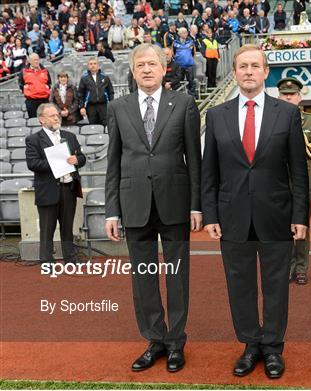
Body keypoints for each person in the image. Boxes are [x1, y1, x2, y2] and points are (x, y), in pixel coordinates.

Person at [201, 45, 309, 379]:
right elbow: (210, 172)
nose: (249, 71)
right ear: (234, 73)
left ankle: (273, 347)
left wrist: (300, 217)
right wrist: (211, 216)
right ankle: (250, 345)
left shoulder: (287, 114)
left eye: (255, 66)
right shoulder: (217, 115)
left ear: (265, 72)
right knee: (240, 286)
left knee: (276, 285)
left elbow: (299, 173)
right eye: (242, 66)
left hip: (277, 215)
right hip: (232, 217)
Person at [105, 43, 202, 373]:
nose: (146, 69)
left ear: (164, 69)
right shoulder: (118, 107)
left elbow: (195, 160)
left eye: (152, 64)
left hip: (174, 201)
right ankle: (154, 339)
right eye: (140, 65)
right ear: (132, 72)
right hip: (134, 205)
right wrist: (112, 210)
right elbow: (114, 161)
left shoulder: (185, 104)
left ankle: (176, 341)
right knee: (143, 277)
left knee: (177, 276)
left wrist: (196, 206)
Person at [25, 103, 86, 266]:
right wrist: (56, 162)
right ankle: (47, 261)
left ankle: (70, 259)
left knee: (67, 227)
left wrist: (77, 160)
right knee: (47, 228)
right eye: (52, 115)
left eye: (57, 115)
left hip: (69, 189)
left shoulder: (70, 136)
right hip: (48, 190)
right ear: (41, 120)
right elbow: (32, 164)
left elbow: (82, 158)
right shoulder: (33, 140)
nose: (56, 117)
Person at [277, 77, 311, 285]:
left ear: (299, 97)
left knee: (302, 226)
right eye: (285, 95)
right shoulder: (271, 120)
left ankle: (301, 267)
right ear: (278, 97)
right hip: (279, 182)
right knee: (281, 226)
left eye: (292, 94)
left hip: (305, 180)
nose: (288, 98)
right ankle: (286, 266)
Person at [78, 57, 114, 126]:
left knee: (105, 125)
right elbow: (81, 93)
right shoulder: (84, 78)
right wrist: (82, 107)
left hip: (103, 105)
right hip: (91, 106)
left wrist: (111, 104)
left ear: (98, 65)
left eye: (95, 63)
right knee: (93, 126)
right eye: (91, 64)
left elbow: (110, 92)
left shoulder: (105, 77)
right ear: (88, 66)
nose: (93, 65)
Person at [18, 53, 51, 118]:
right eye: (34, 60)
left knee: (45, 120)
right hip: (31, 101)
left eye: (37, 59)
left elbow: (49, 83)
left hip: (44, 100)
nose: (36, 61)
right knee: (33, 121)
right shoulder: (24, 71)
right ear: (29, 61)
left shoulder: (45, 71)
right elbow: (21, 84)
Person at [173, 27, 197, 97]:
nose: (186, 34)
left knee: (191, 81)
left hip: (189, 65)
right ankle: (180, 96)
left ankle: (192, 96)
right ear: (179, 34)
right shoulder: (175, 43)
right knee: (179, 82)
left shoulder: (190, 42)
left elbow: (194, 53)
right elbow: (173, 53)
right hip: (179, 66)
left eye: (186, 32)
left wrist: (190, 59)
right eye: (184, 33)